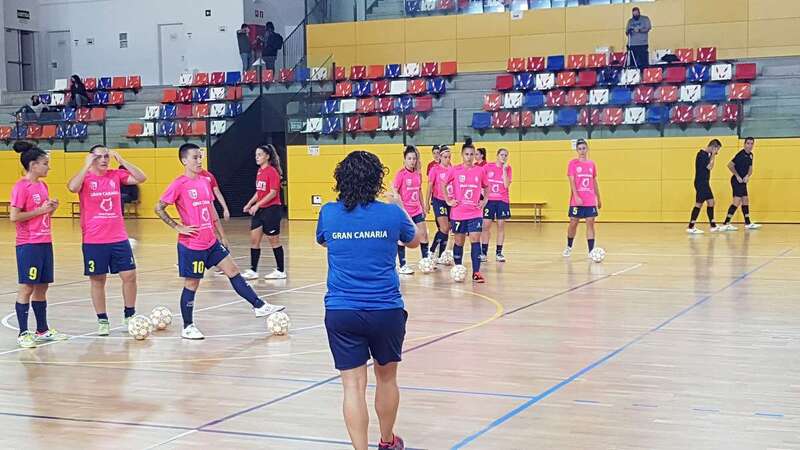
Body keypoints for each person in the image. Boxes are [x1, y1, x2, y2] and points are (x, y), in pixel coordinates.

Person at [316, 150, 420, 450]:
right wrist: (401, 207)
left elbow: (323, 239)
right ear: (377, 180)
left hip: (342, 311)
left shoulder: (329, 212)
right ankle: (387, 442)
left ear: (341, 180)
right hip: (385, 310)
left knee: (352, 386)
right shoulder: (390, 213)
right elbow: (415, 240)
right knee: (386, 379)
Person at [155, 143, 285, 340]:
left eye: (200, 157)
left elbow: (210, 209)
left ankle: (259, 306)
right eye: (195, 157)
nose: (199, 161)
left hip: (211, 242)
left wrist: (221, 234)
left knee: (233, 271)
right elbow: (159, 207)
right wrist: (177, 227)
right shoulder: (179, 184)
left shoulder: (204, 181)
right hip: (192, 245)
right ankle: (188, 326)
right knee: (192, 284)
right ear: (184, 161)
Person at [67, 145, 147, 335]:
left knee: (129, 276)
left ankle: (129, 314)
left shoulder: (115, 175)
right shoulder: (85, 178)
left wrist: (122, 162)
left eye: (106, 156)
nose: (104, 160)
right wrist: (86, 166)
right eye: (99, 157)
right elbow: (72, 187)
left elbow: (141, 178)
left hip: (118, 237)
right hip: (94, 239)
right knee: (97, 280)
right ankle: (102, 319)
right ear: (91, 158)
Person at [10, 142, 67, 348]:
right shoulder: (21, 187)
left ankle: (41, 330)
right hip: (29, 244)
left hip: (45, 241)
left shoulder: (42, 186)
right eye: (45, 164)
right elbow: (14, 216)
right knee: (27, 287)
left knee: (42, 287)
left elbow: (42, 215)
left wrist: (50, 209)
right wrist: (42, 210)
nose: (48, 167)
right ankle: (23, 332)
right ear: (33, 165)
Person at [446, 139, 488, 283]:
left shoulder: (480, 170)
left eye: (472, 154)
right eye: (467, 154)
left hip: (475, 212)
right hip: (458, 213)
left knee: (475, 239)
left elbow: (486, 187)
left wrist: (485, 200)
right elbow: (443, 183)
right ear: (462, 155)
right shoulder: (455, 170)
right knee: (459, 241)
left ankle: (476, 272)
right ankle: (458, 268)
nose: (469, 157)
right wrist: (448, 200)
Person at [242, 145, 286, 280]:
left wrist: (257, 205)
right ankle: (253, 270)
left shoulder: (272, 172)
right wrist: (250, 204)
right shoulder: (260, 172)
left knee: (274, 240)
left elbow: (273, 193)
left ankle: (281, 271)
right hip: (260, 210)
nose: (257, 157)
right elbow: (259, 191)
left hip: (272, 210)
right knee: (254, 240)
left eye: (260, 154)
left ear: (267, 156)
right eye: (256, 155)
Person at [392, 146, 429, 274]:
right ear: (405, 160)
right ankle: (402, 265)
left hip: (417, 209)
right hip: (405, 211)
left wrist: (423, 206)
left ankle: (426, 260)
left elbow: (419, 191)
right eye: (409, 158)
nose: (412, 161)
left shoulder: (418, 174)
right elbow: (395, 190)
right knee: (402, 238)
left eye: (414, 158)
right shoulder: (401, 174)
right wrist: (399, 206)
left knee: (424, 234)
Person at [563, 139, 602, 257]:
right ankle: (569, 246)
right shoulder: (573, 163)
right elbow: (572, 180)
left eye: (584, 148)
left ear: (587, 149)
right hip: (577, 201)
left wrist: (598, 198)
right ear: (577, 150)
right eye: (579, 149)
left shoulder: (591, 164)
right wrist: (576, 196)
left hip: (589, 199)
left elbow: (594, 181)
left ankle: (591, 251)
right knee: (573, 223)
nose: (582, 151)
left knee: (590, 222)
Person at [721, 137, 762, 231]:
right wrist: (737, 176)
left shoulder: (751, 155)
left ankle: (748, 223)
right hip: (736, 181)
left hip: (743, 181)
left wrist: (747, 176)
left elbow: (750, 168)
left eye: (752, 144)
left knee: (745, 200)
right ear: (744, 144)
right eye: (748, 143)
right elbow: (730, 165)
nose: (750, 146)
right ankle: (726, 223)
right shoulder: (740, 154)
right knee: (736, 202)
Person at [481, 148, 512, 263]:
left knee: (500, 225)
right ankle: (483, 252)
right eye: (502, 155)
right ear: (497, 155)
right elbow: (480, 181)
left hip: (502, 200)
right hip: (489, 200)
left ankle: (499, 253)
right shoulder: (488, 167)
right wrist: (482, 196)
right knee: (486, 226)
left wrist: (504, 170)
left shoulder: (508, 169)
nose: (503, 157)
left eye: (506, 155)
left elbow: (506, 185)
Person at [687, 139, 722, 234]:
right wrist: (714, 155)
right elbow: (710, 167)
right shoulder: (702, 155)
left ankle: (713, 225)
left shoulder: (707, 155)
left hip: (705, 182)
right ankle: (691, 226)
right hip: (701, 183)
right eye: (717, 149)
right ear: (713, 147)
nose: (717, 152)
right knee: (699, 204)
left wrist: (712, 155)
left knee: (711, 202)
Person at [427, 145, 453, 263]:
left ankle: (441, 255)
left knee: (447, 229)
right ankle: (432, 251)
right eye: (445, 157)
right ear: (440, 157)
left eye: (449, 157)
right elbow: (429, 187)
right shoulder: (435, 169)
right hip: (439, 200)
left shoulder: (452, 169)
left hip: (450, 202)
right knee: (444, 227)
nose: (447, 159)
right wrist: (427, 203)